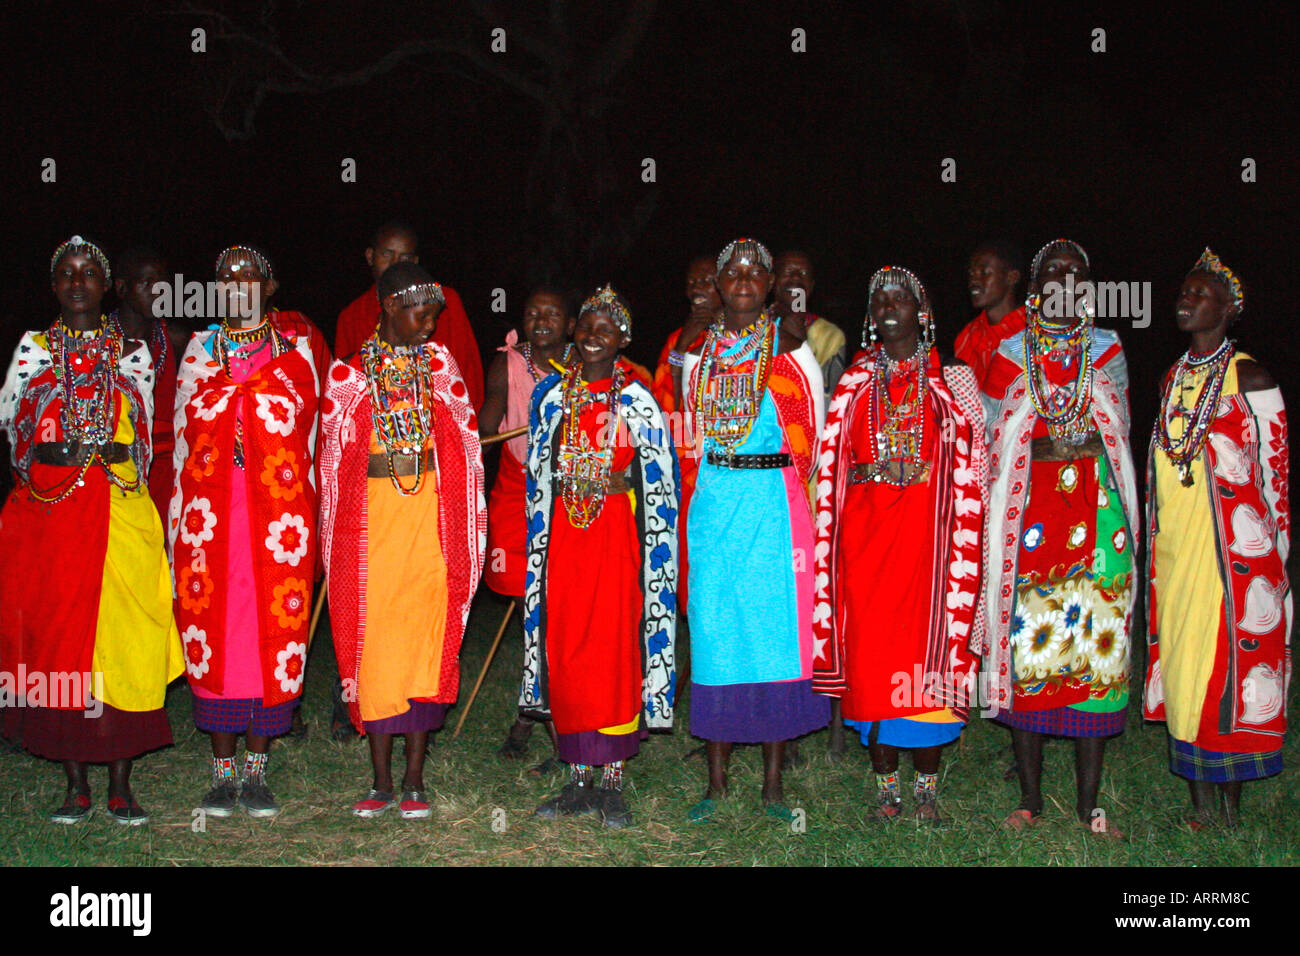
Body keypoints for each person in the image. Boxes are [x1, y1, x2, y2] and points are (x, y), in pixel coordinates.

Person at [0, 236, 183, 825]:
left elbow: (142, 438)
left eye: (89, 274)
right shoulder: (31, 351)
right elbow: (13, 427)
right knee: (60, 647)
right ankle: (75, 786)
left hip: (118, 513)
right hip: (52, 518)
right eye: (66, 274)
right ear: (54, 286)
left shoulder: (131, 352)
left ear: (106, 288)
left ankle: (121, 787)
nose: (78, 282)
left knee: (124, 642)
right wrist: (52, 469)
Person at [812, 266, 987, 821]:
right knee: (873, 658)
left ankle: (927, 793)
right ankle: (886, 789)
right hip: (866, 543)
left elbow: (976, 463)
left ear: (922, 310)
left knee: (927, 654)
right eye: (880, 299)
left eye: (901, 298)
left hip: (931, 545)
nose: (889, 306)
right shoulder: (854, 382)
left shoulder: (952, 377)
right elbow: (830, 466)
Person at [981, 238, 1138, 837]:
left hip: (1098, 519)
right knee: (1031, 649)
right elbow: (992, 437)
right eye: (1054, 272)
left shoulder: (1109, 349)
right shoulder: (1010, 350)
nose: (1065, 280)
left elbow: (1119, 424)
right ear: (1037, 284)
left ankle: (1088, 806)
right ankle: (1029, 800)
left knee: (1096, 653)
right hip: (1032, 515)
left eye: (1077, 272)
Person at [319, 262, 485, 819]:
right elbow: (333, 463)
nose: (430, 326)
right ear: (388, 306)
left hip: (430, 525)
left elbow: (464, 441)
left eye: (435, 316)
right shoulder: (346, 377)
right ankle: (381, 780)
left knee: (423, 640)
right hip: (371, 532)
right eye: (421, 313)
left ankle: (415, 779)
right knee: (377, 648)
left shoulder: (440, 367)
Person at [170, 244, 329, 819]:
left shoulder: (298, 353)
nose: (238, 283)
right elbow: (188, 426)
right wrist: (234, 401)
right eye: (226, 277)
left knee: (271, 633)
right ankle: (220, 772)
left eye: (250, 275)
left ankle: (258, 772)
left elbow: (308, 432)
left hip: (279, 518)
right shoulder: (199, 349)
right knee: (215, 629)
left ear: (271, 284)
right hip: (210, 520)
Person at [682, 238, 829, 821]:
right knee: (717, 636)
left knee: (774, 637)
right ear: (718, 285)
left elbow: (812, 441)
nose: (743, 279)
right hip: (716, 505)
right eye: (732, 272)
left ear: (770, 284)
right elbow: (690, 439)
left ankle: (772, 785)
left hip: (774, 508)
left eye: (755, 272)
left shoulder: (794, 351)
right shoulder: (697, 354)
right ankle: (716, 784)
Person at [520, 285, 678, 829]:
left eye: (605, 330)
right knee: (566, 647)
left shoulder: (638, 399)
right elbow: (537, 478)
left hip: (614, 538)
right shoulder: (550, 397)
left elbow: (660, 480)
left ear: (624, 340)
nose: (592, 337)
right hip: (563, 537)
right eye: (585, 327)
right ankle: (577, 778)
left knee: (612, 649)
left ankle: (611, 780)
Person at [1143, 249, 1289, 828]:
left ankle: (1229, 802)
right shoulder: (1171, 378)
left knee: (1225, 664)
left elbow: (1276, 473)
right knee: (1182, 659)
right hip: (1178, 548)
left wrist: (1274, 558)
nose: (1185, 300)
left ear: (1228, 310)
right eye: (1183, 291)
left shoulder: (1252, 378)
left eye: (1199, 294)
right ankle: (1198, 802)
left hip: (1234, 557)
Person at [480, 286, 575, 764]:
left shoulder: (587, 361)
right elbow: (489, 431)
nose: (541, 320)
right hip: (518, 488)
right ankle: (534, 710)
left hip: (568, 493)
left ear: (570, 323)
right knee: (529, 609)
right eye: (533, 312)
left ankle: (536, 715)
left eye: (552, 312)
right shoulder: (508, 364)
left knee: (558, 607)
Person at [334, 221, 484, 410]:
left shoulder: (445, 300)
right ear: (370, 256)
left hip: (444, 420)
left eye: (404, 257)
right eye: (386, 254)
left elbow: (469, 373)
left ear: (414, 262)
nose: (394, 264)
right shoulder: (352, 316)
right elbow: (345, 390)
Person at [111, 246, 190, 519]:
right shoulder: (98, 343)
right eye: (146, 282)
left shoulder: (177, 341)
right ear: (121, 288)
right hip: (114, 465)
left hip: (167, 469)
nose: (157, 291)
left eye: (163, 284)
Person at [771, 250, 847, 405]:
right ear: (773, 281)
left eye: (803, 273)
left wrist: (801, 344)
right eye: (788, 271)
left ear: (811, 286)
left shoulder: (829, 336)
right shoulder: (753, 327)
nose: (796, 277)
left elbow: (829, 400)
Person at [954, 241, 1027, 390]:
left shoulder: (1035, 328)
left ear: (1012, 277)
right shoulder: (968, 337)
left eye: (984, 273)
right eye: (971, 274)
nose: (974, 280)